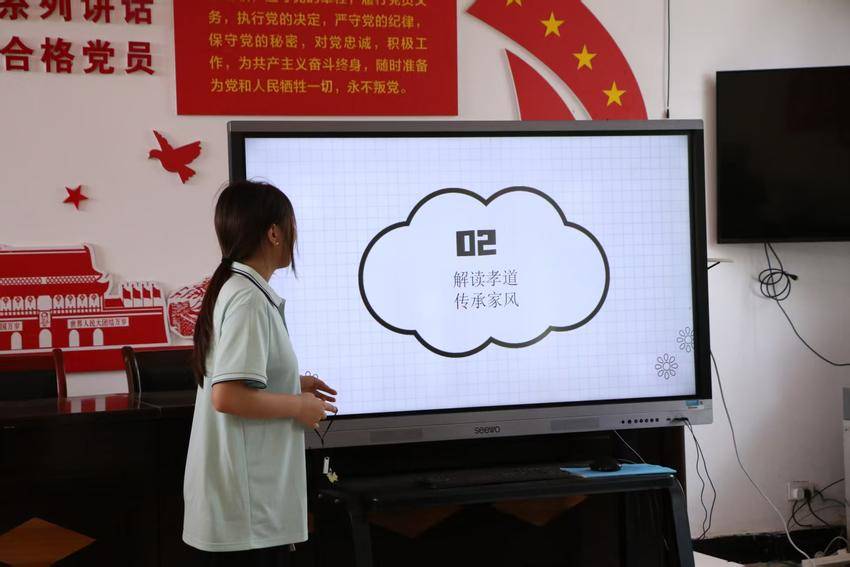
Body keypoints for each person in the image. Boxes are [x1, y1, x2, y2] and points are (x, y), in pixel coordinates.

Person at [183, 180, 338, 566]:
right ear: (273, 233)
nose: (294, 236)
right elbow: (227, 396)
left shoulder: (237, 288)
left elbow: (233, 378)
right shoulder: (247, 299)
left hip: (240, 508)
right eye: (291, 226)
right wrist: (298, 406)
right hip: (244, 512)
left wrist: (292, 384)